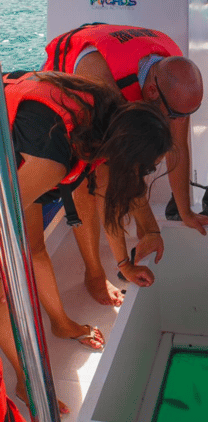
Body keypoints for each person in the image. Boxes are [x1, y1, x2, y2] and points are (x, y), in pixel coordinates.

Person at [0, 70, 172, 411]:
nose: (145, 174)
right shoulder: (50, 160)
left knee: (33, 247)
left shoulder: (105, 115)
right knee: (4, 291)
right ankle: (25, 377)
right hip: (23, 158)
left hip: (19, 151)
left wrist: (124, 265)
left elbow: (104, 194)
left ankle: (61, 324)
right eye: (145, 167)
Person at [42, 23, 208, 306]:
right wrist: (123, 263)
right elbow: (106, 182)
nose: (176, 121)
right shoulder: (100, 85)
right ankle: (93, 272)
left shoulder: (175, 83)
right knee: (84, 182)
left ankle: (144, 231)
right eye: (173, 114)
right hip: (72, 88)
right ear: (151, 91)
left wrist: (186, 211)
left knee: (143, 151)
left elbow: (178, 146)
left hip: (122, 70)